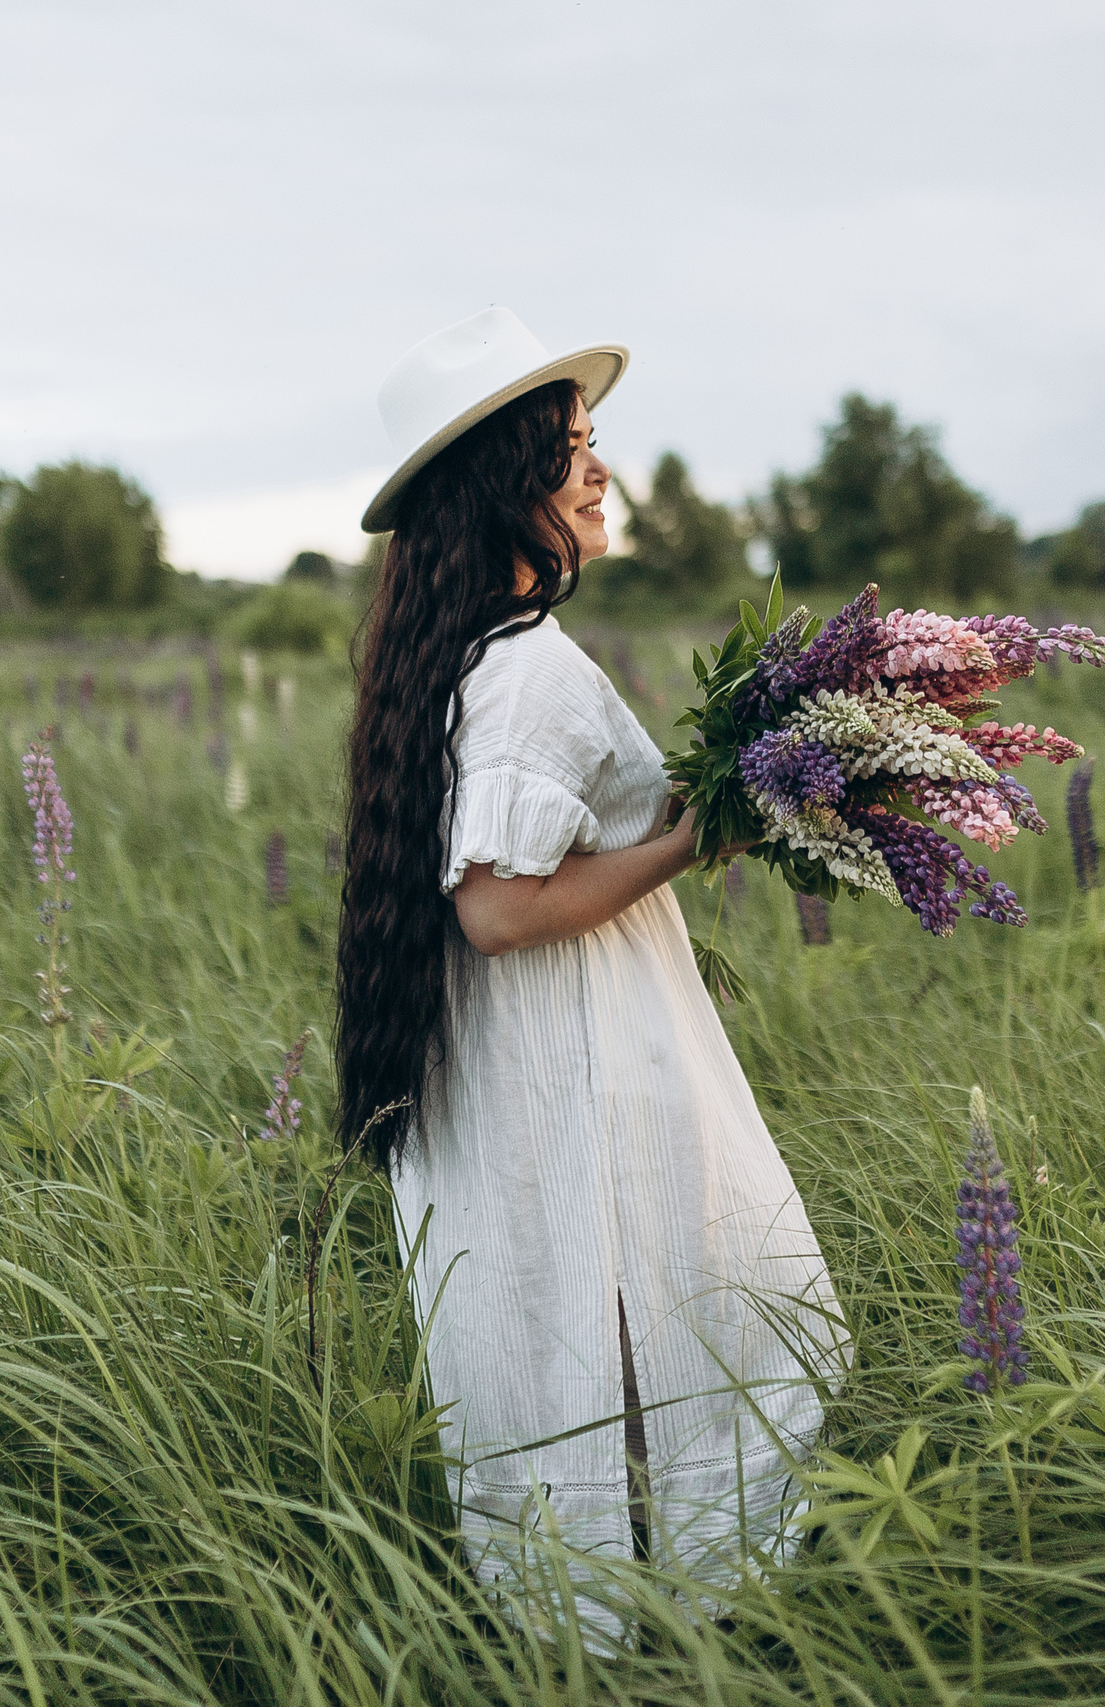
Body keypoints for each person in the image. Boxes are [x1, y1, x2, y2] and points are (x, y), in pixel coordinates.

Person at [334, 307, 850, 1599]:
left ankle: (612, 1624)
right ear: (505, 486)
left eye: (592, 441)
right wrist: (689, 844)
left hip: (530, 1064)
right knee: (704, 1322)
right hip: (574, 1056)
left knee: (583, 1353)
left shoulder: (462, 655)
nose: (599, 470)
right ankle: (673, 1628)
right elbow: (499, 910)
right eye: (569, 451)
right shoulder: (524, 671)